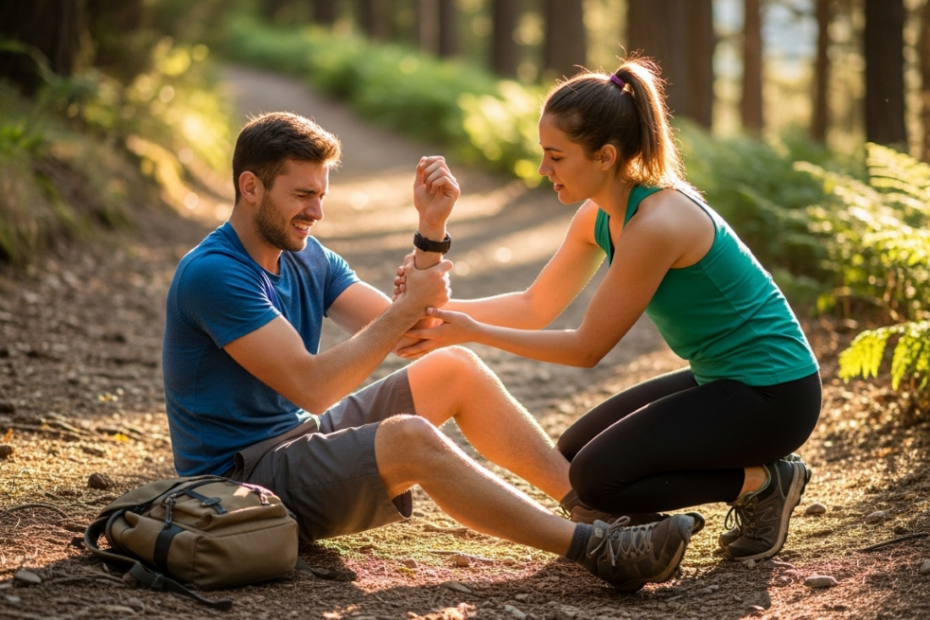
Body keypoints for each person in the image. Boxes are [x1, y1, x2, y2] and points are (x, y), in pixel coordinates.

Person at [161, 111, 699, 593]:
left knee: (454, 367)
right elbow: (312, 385)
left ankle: (597, 511)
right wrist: (403, 310)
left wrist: (432, 226)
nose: (317, 212)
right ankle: (597, 550)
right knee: (410, 439)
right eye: (302, 195)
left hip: (298, 441)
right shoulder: (215, 274)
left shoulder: (307, 255)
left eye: (321, 194)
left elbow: (417, 330)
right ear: (249, 187)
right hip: (239, 485)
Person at [396, 57, 822, 563]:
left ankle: (764, 482)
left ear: (604, 156)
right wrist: (437, 312)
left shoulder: (658, 223)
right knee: (572, 458)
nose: (542, 169)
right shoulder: (599, 214)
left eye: (555, 156)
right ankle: (649, 526)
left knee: (595, 481)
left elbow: (586, 349)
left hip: (775, 396)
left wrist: (471, 333)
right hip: (724, 377)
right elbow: (535, 305)